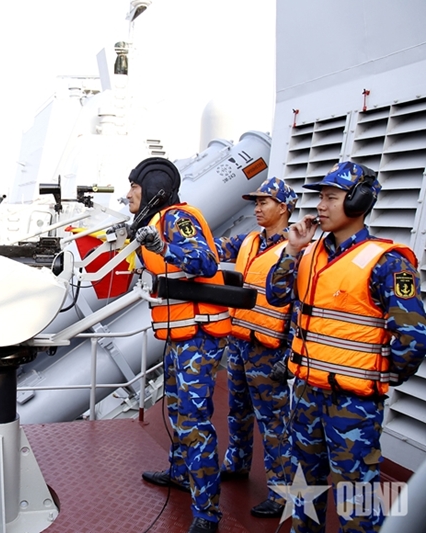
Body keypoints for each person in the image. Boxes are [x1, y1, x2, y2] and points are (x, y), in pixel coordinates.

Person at [266, 161, 426, 532]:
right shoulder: (308, 254)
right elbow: (276, 295)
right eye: (320, 197)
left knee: (358, 505)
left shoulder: (387, 263)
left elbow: (413, 337)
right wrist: (292, 250)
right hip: (305, 395)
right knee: (304, 496)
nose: (320, 206)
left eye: (331, 198)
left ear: (359, 202)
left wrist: (378, 375)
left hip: (353, 405)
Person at [129, 157, 231, 533]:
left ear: (153, 190)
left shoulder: (176, 219)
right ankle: (179, 472)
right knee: (176, 411)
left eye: (133, 187)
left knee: (194, 422)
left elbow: (204, 261)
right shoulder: (157, 221)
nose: (127, 194)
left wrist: (162, 246)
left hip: (199, 338)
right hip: (180, 336)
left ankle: (207, 513)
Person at [214, 177, 297, 519]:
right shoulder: (249, 240)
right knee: (238, 411)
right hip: (240, 343)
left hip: (269, 351)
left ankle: (282, 493)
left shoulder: (297, 250)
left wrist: (290, 357)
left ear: (284, 207)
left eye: (264, 202)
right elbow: (214, 248)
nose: (257, 208)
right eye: (256, 202)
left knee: (274, 423)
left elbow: (301, 309)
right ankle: (237, 462)